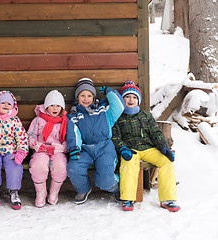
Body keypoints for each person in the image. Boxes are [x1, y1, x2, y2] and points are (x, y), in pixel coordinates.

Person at [112, 81, 180, 212]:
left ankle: (168, 199)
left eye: (134, 97)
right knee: (128, 163)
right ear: (122, 99)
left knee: (166, 161)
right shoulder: (118, 117)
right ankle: (127, 198)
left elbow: (156, 133)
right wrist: (122, 148)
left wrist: (163, 147)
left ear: (138, 100)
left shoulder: (145, 115)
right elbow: (115, 136)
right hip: (130, 149)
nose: (131, 100)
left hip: (148, 148)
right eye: (127, 96)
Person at [66, 78, 125, 204]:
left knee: (105, 179)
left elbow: (119, 106)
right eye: (82, 95)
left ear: (93, 96)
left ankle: (115, 188)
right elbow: (73, 133)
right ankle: (83, 189)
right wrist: (74, 148)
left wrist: (110, 92)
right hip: (85, 149)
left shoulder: (104, 110)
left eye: (89, 95)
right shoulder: (74, 116)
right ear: (77, 97)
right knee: (73, 167)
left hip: (104, 148)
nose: (86, 98)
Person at [27, 90, 68, 207]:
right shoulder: (38, 120)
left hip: (57, 151)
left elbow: (69, 139)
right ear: (46, 107)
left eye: (58, 106)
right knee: (38, 165)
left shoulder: (64, 122)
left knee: (60, 166)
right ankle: (41, 192)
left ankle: (54, 191)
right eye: (52, 105)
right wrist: (37, 145)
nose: (55, 108)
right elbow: (29, 136)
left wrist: (60, 148)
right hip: (41, 150)